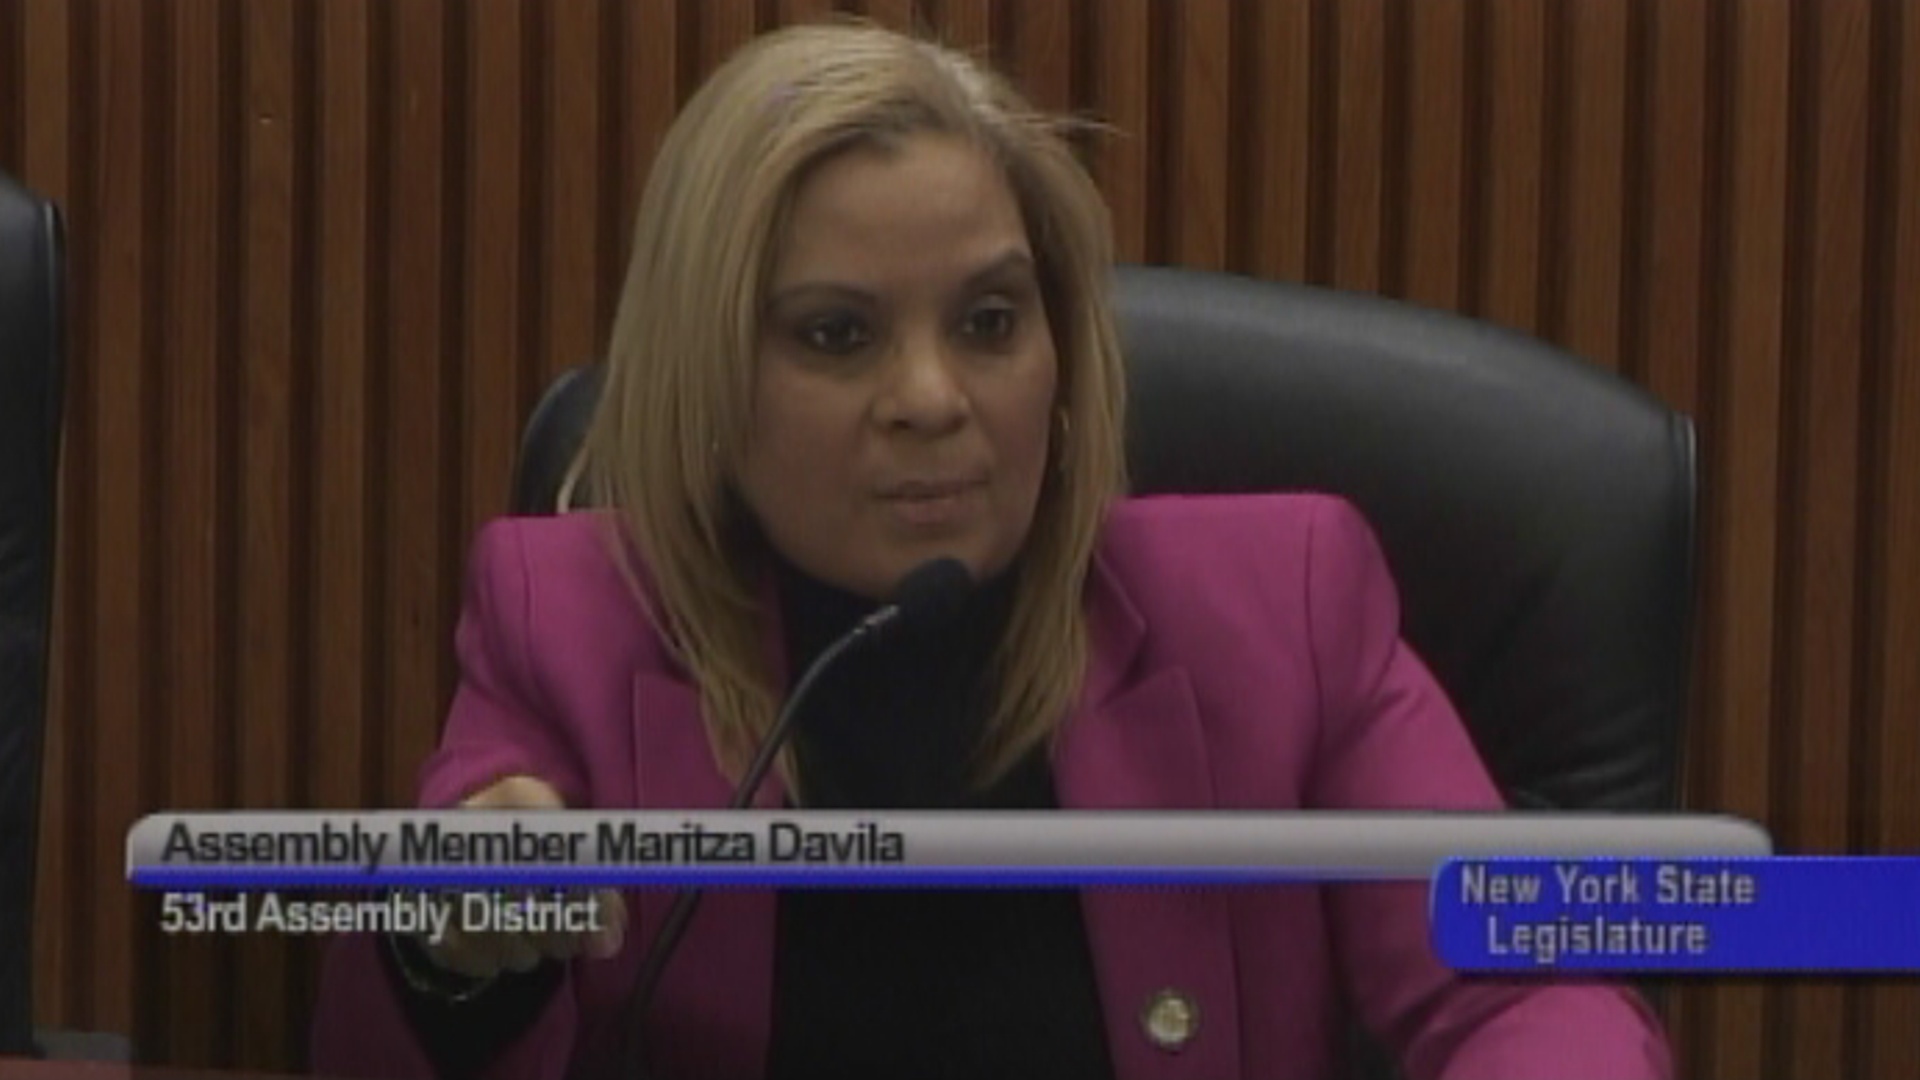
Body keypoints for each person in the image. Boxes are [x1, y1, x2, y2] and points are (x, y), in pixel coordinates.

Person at [310, 20, 1672, 1080]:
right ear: (706, 385)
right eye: (837, 335)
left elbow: (1531, 989)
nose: (931, 397)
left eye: (990, 322)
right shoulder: (567, 617)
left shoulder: (1284, 610)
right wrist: (457, 937)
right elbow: (392, 1038)